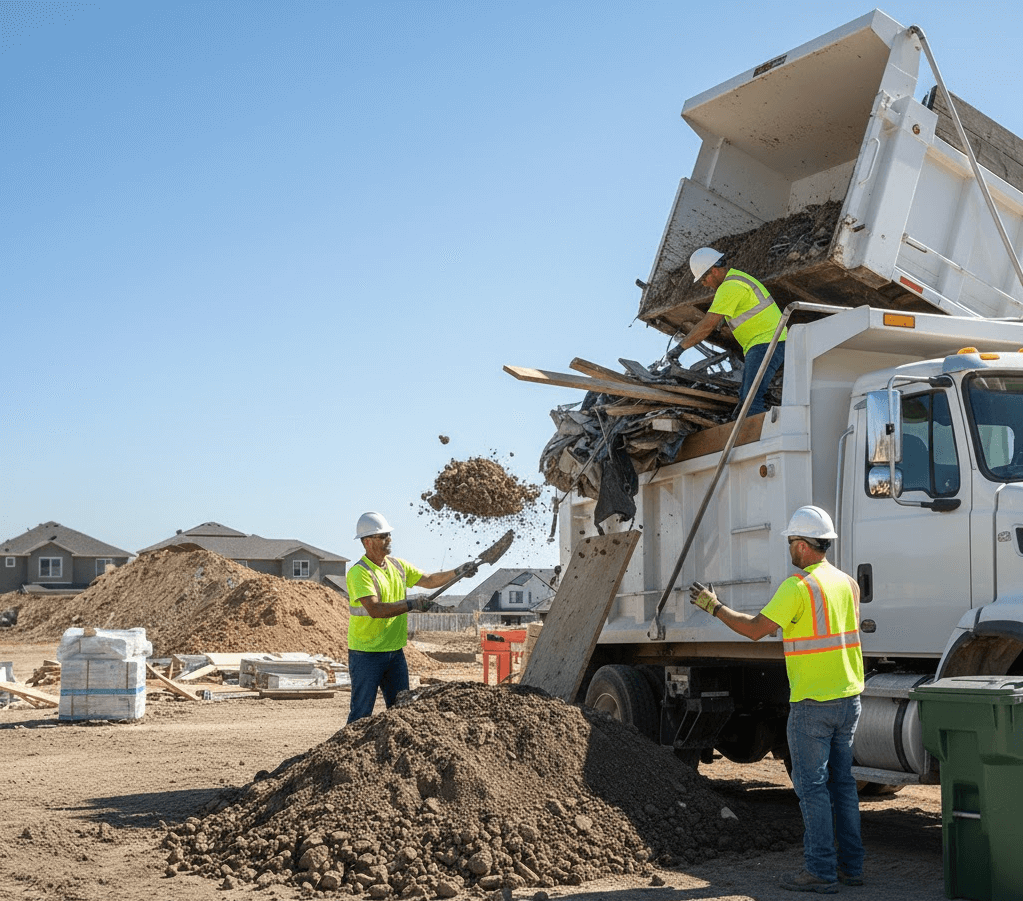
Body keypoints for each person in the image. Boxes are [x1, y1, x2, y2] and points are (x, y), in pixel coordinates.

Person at [689, 505, 864, 894]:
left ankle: (820, 870)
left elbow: (755, 630)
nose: (789, 548)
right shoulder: (847, 583)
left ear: (803, 545)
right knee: (843, 785)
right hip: (848, 697)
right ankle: (852, 867)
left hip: (812, 703)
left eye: (790, 542)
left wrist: (713, 607)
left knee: (813, 788)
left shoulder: (797, 587)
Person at [345, 511, 478, 724]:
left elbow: (429, 579)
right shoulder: (359, 573)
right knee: (361, 714)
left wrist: (458, 571)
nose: (389, 540)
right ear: (368, 542)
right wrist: (412, 604)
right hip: (366, 654)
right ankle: (347, 756)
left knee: (402, 712)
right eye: (383, 536)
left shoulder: (397, 566)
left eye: (389, 535)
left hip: (395, 653)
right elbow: (375, 609)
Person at [677, 247, 786, 416]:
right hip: (767, 342)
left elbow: (707, 325)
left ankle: (761, 439)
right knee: (748, 397)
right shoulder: (737, 279)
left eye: (703, 280)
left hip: (765, 342)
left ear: (713, 271)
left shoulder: (729, 287)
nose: (704, 285)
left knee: (751, 401)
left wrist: (679, 349)